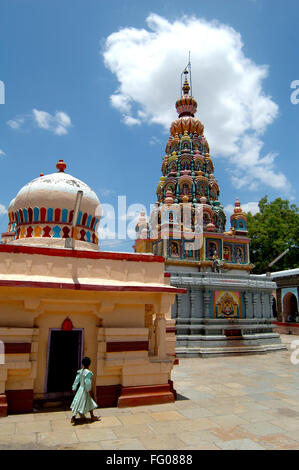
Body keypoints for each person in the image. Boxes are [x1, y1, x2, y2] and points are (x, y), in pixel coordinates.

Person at [70, 356, 100, 424]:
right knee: (85, 402)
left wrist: (74, 388)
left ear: (82, 364)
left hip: (80, 389)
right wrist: (89, 390)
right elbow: (87, 382)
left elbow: (76, 380)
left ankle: (91, 416)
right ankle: (74, 417)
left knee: (79, 402)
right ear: (89, 364)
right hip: (85, 391)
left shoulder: (80, 371)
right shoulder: (88, 373)